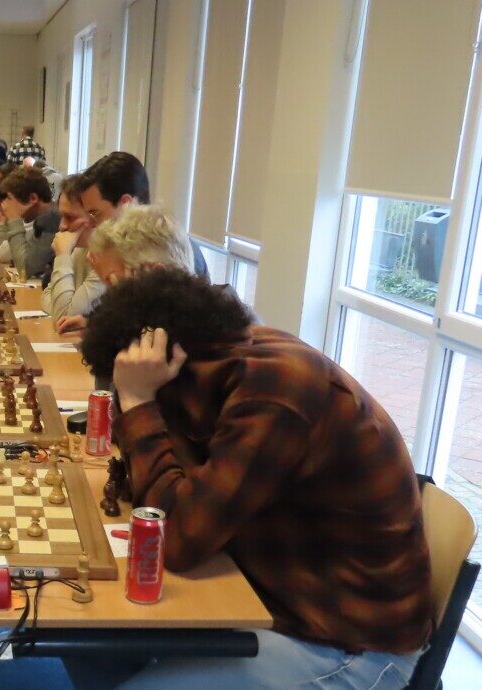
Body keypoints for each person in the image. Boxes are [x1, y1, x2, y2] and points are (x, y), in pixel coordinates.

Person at [76, 266, 433, 689]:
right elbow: (165, 493)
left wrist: (138, 402)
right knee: (89, 641)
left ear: (167, 362)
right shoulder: (222, 358)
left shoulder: (276, 390)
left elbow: (177, 540)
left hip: (345, 645)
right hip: (275, 599)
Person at [79, 151, 208, 279]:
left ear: (125, 204)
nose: (89, 224)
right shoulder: (122, 253)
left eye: (95, 213)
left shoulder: (170, 252)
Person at [40, 175, 105, 325]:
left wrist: (62, 256)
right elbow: (47, 294)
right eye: (62, 216)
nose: (61, 226)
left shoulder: (107, 259)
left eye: (70, 217)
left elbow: (62, 318)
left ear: (95, 218)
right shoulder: (80, 249)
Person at [0, 167, 59, 279]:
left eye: (11, 201)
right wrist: (7, 216)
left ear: (33, 198)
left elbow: (25, 269)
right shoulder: (45, 217)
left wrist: (14, 218)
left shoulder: (51, 219)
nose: (8, 206)